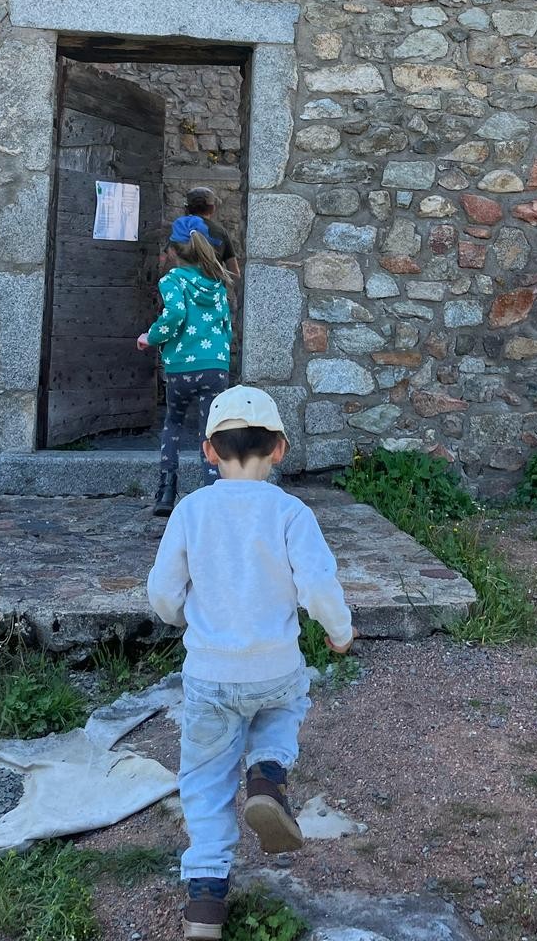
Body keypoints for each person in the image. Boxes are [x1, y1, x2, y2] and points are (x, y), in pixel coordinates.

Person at [147, 386, 354, 940]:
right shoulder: (291, 513)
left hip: (210, 676)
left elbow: (163, 592)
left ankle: (205, 901)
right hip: (274, 668)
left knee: (205, 780)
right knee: (286, 707)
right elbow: (318, 584)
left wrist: (181, 617)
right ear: (280, 449)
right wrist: (340, 633)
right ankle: (267, 773)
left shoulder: (191, 511)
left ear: (208, 452)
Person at [138, 215, 234, 518]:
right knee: (210, 430)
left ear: (173, 250)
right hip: (215, 367)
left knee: (174, 423)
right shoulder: (217, 283)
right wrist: (221, 358)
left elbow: (175, 314)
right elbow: (226, 326)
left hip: (182, 367)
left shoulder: (172, 280)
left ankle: (167, 490)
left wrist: (151, 336)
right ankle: (213, 491)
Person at [185, 187, 241, 279]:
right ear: (213, 208)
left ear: (187, 208)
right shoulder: (221, 232)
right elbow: (234, 272)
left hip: (184, 286)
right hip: (213, 286)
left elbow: (169, 262)